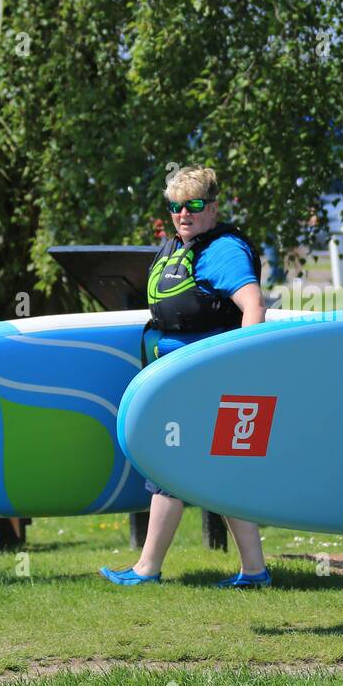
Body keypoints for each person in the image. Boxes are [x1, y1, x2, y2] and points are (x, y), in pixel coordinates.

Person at [100, 165, 272, 588]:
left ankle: (151, 570)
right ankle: (250, 572)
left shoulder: (222, 250)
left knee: (180, 467)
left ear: (212, 207)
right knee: (188, 469)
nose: (184, 214)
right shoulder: (179, 246)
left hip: (214, 378)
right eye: (176, 207)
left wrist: (243, 364)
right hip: (181, 380)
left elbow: (254, 306)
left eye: (194, 205)